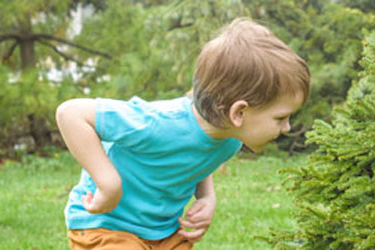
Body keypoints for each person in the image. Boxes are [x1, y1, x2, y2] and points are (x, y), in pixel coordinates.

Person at [55, 17, 310, 249]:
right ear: (239, 113)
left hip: (164, 233)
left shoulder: (231, 138)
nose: (286, 128)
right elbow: (71, 114)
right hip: (105, 225)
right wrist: (108, 184)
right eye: (281, 117)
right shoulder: (157, 123)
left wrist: (207, 197)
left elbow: (199, 157)